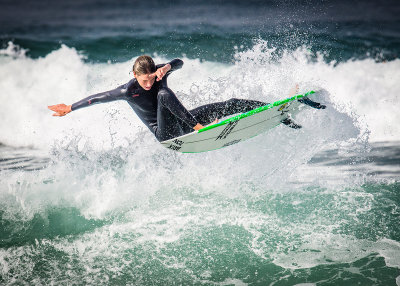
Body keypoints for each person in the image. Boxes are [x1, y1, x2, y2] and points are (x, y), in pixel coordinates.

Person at [48, 56, 266, 142]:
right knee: (162, 94)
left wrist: (168, 68)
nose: (149, 83)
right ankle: (200, 127)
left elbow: (180, 61)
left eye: (152, 77)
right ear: (134, 75)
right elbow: (97, 98)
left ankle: (272, 109)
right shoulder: (127, 91)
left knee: (229, 104)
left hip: (183, 122)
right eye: (144, 80)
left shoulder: (158, 72)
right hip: (165, 134)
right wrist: (70, 107)